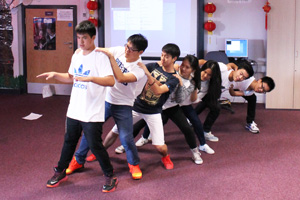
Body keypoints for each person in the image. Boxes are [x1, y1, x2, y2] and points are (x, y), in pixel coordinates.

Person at [36, 20, 118, 192]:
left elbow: (110, 81)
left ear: (93, 38)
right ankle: (60, 171)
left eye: (85, 38)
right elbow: (71, 77)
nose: (81, 42)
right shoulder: (76, 54)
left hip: (92, 111)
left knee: (95, 145)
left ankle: (110, 175)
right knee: (69, 142)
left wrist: (91, 78)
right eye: (78, 37)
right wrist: (56, 74)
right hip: (74, 109)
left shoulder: (100, 57)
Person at [66, 34, 148, 180]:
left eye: (131, 49)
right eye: (126, 46)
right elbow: (98, 50)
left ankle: (133, 164)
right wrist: (82, 50)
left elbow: (121, 78)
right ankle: (78, 160)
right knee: (89, 132)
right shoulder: (119, 50)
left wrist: (111, 58)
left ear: (140, 52)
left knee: (126, 137)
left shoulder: (140, 69)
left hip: (124, 104)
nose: (127, 50)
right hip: (105, 100)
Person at [104, 43, 180, 170]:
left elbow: (158, 91)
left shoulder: (174, 78)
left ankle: (165, 156)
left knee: (160, 146)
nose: (163, 58)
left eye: (166, 57)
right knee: (115, 130)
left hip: (153, 112)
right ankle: (99, 152)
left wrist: (148, 75)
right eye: (162, 55)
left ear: (174, 59)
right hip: (136, 107)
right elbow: (134, 72)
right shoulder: (153, 66)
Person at [130, 58, 221, 161]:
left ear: (193, 69)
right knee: (141, 122)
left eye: (187, 67)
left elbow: (180, 99)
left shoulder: (191, 83)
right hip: (160, 105)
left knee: (187, 128)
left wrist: (180, 83)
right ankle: (128, 143)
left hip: (173, 107)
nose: (183, 68)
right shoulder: (174, 71)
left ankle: (195, 152)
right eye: (182, 65)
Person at [194, 59, 254, 141]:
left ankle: (204, 130)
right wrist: (190, 68)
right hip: (197, 86)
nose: (240, 78)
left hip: (207, 93)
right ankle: (202, 128)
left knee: (212, 104)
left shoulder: (234, 82)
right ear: (236, 68)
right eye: (241, 74)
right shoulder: (223, 68)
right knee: (215, 107)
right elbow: (204, 63)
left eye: (243, 77)